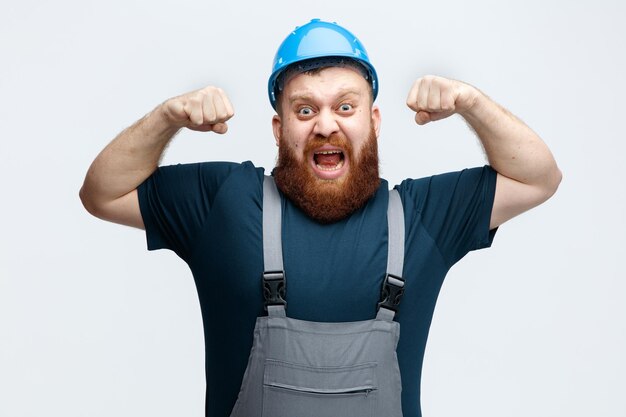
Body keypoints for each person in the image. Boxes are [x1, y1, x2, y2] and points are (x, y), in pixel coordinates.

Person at [80, 19, 561, 417]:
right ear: (279, 127)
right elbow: (101, 193)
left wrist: (470, 103)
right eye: (304, 108)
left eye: (345, 107)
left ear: (372, 122)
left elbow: (539, 178)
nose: (326, 124)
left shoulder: (421, 216)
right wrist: (169, 117)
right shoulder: (225, 202)